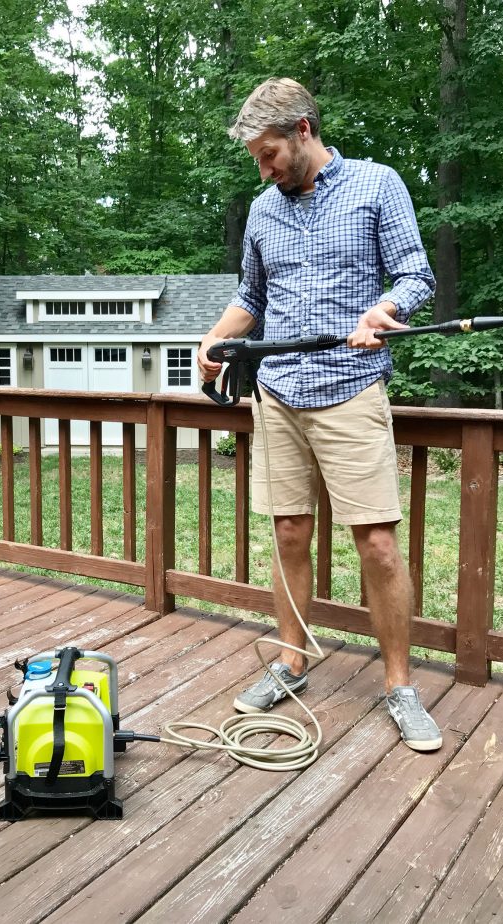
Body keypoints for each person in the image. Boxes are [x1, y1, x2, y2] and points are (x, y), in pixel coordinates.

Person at [197, 77, 442, 752]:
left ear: (303, 130)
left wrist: (385, 313)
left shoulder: (377, 184)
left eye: (269, 152)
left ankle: (400, 686)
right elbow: (252, 294)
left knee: (378, 545)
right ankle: (293, 660)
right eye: (255, 157)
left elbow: (417, 275)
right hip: (277, 392)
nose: (263, 167)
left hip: (352, 386)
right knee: (289, 533)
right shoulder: (263, 208)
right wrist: (213, 339)